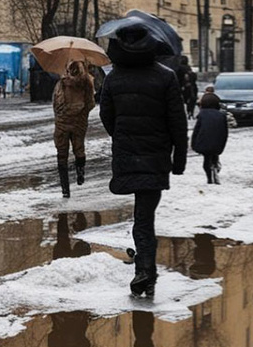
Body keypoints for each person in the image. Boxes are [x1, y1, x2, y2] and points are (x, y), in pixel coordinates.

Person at [99, 27, 187, 298]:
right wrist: (179, 159)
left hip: (128, 154)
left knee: (142, 217)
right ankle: (146, 270)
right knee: (145, 216)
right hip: (156, 155)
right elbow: (177, 122)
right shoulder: (165, 76)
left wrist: (123, 137)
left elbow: (106, 117)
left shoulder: (113, 78)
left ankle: (145, 270)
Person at [52, 60, 96, 198]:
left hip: (62, 123)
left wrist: (61, 116)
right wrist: (82, 113)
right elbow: (90, 104)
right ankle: (80, 171)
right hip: (79, 123)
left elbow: (55, 103)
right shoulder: (86, 83)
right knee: (79, 149)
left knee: (62, 153)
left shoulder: (61, 83)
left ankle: (65, 188)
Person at [191, 89, 228, 184]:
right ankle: (215, 167)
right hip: (217, 142)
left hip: (204, 141)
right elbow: (225, 131)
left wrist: (194, 143)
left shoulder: (202, 114)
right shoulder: (221, 115)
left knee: (206, 159)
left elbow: (197, 130)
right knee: (214, 155)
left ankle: (209, 177)